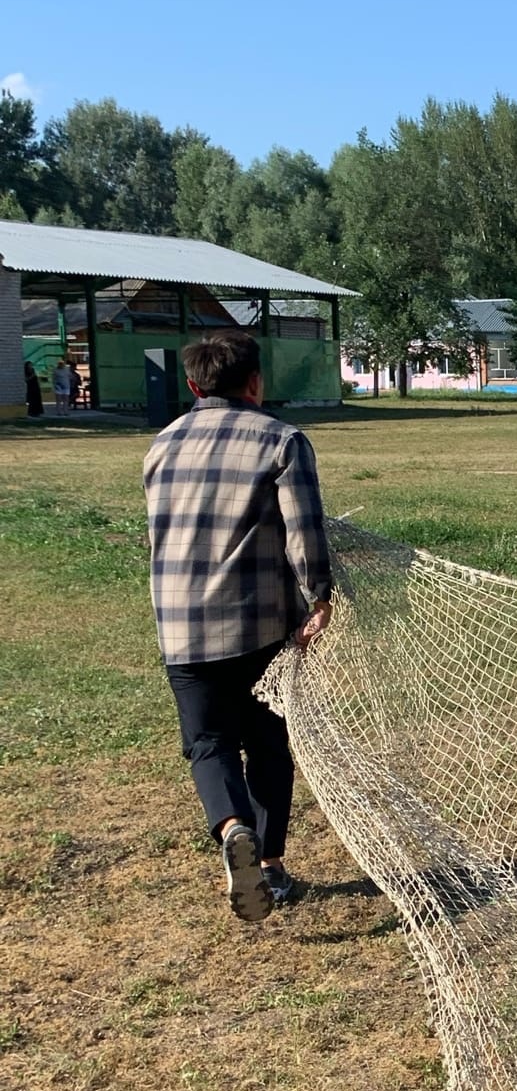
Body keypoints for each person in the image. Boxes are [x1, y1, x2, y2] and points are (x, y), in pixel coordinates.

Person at [143, 330, 332, 921]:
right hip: (256, 626)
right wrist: (318, 597)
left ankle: (230, 827)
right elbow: (303, 529)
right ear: (256, 382)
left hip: (180, 625)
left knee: (208, 743)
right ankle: (270, 865)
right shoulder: (281, 440)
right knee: (268, 745)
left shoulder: (161, 443)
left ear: (194, 385)